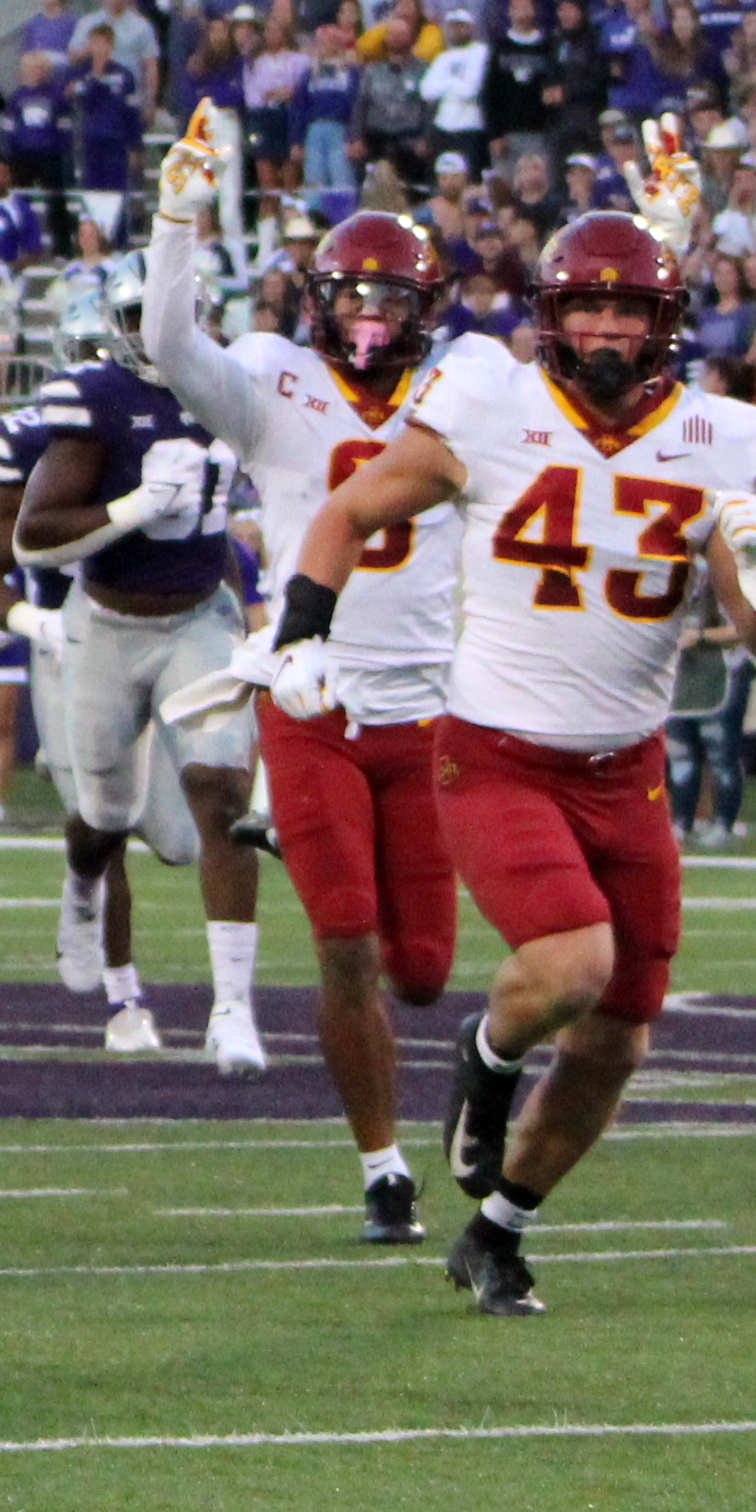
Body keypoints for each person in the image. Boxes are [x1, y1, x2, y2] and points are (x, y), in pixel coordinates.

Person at [273, 210, 756, 1315]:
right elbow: (352, 509)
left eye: (629, 310)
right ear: (551, 317)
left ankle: (498, 1229)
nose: (608, 331)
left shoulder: (723, 438)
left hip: (632, 767)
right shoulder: (492, 401)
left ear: (665, 326)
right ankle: (487, 1047)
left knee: (620, 1035)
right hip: (498, 753)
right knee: (571, 967)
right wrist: (300, 637)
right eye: (590, 307)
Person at [144, 111, 517, 1238]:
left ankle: (450, 1064)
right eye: (352, 294)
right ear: (319, 301)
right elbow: (169, 344)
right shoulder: (272, 378)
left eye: (391, 297)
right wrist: (177, 219)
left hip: (429, 714)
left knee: (419, 971)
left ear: (425, 310)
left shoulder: (464, 390)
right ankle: (382, 1169)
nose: (368, 313)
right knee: (344, 938)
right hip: (310, 702)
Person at [9, 273, 269, 1071]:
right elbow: (33, 538)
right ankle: (81, 884)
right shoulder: (93, 396)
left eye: (179, 315)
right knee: (104, 814)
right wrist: (127, 510)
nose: (158, 331)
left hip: (198, 618)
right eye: (140, 317)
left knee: (220, 798)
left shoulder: (235, 388)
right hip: (109, 627)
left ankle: (232, 1009)